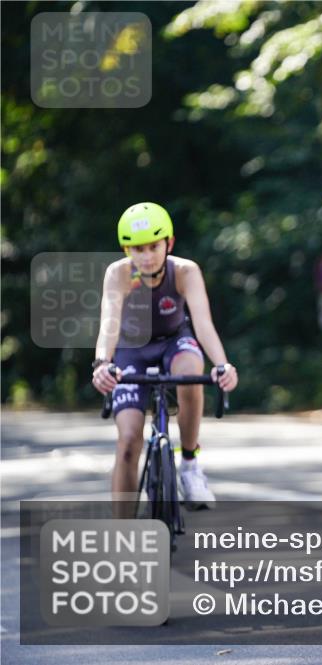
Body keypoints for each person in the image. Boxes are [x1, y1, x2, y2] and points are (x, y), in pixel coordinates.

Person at [91, 202, 238, 512]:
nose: (146, 256)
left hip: (175, 340)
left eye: (154, 247)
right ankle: (123, 535)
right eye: (137, 249)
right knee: (129, 441)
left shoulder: (185, 271)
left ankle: (189, 465)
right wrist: (103, 363)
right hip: (131, 349)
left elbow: (203, 324)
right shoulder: (117, 274)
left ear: (168, 243)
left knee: (190, 371)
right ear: (125, 249)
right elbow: (109, 323)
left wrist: (222, 365)